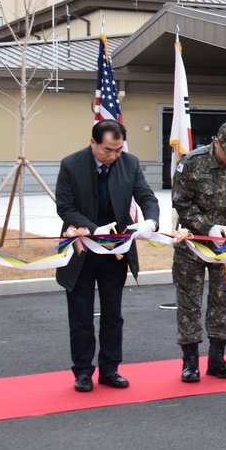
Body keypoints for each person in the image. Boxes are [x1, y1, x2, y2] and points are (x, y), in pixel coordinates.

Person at [55, 119, 161, 392]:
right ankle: (82, 372)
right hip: (81, 251)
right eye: (107, 150)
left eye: (118, 149)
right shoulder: (71, 164)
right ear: (93, 143)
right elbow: (65, 207)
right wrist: (92, 229)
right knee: (81, 314)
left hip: (115, 251)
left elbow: (147, 198)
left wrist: (150, 222)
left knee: (113, 313)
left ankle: (110, 369)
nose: (113, 156)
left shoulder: (129, 163)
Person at [171, 120, 226, 383]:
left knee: (222, 299)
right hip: (193, 242)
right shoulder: (192, 162)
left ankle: (217, 358)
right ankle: (190, 361)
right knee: (190, 301)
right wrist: (207, 227)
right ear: (217, 142)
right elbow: (181, 201)